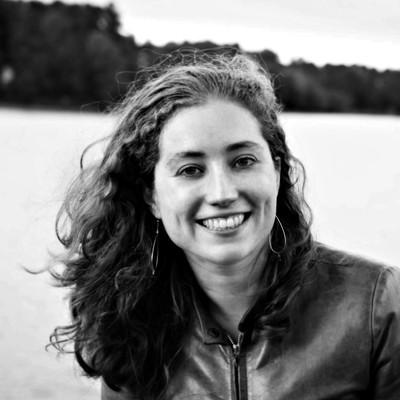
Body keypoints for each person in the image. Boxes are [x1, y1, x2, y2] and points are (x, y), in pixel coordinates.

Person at [50, 52, 400, 400]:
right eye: (190, 170)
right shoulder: (130, 319)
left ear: (276, 172)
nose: (222, 193)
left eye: (243, 161)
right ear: (151, 195)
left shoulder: (374, 304)